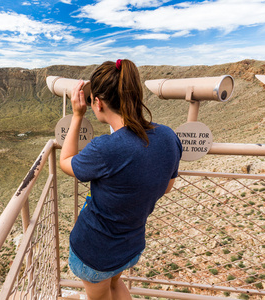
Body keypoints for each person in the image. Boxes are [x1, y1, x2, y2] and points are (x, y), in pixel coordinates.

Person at [59, 59, 182, 300]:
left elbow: (66, 162)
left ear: (98, 102)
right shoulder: (168, 137)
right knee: (115, 285)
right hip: (131, 244)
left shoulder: (106, 148)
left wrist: (77, 116)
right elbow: (167, 187)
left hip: (95, 251)